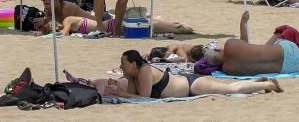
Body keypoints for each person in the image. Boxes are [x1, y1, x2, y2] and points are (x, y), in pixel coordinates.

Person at [204, 11, 299, 76]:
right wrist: (243, 22)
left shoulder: (228, 70)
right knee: (288, 37)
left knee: (293, 62)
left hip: (286, 69)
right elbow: (244, 42)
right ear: (217, 51)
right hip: (288, 52)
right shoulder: (230, 45)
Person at [100, 49, 282, 99]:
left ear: (133, 63)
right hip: (187, 87)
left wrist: (120, 93)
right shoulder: (133, 74)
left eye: (124, 64)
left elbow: (144, 98)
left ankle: (268, 85)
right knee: (229, 89)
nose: (121, 67)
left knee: (230, 90)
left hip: (191, 85)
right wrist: (119, 90)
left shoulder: (145, 70)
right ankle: (258, 82)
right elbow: (134, 96)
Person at [61, 14, 194, 36]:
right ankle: (175, 24)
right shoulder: (70, 22)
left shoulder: (67, 20)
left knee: (154, 27)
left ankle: (180, 27)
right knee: (152, 25)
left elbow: (64, 34)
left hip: (110, 25)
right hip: (111, 25)